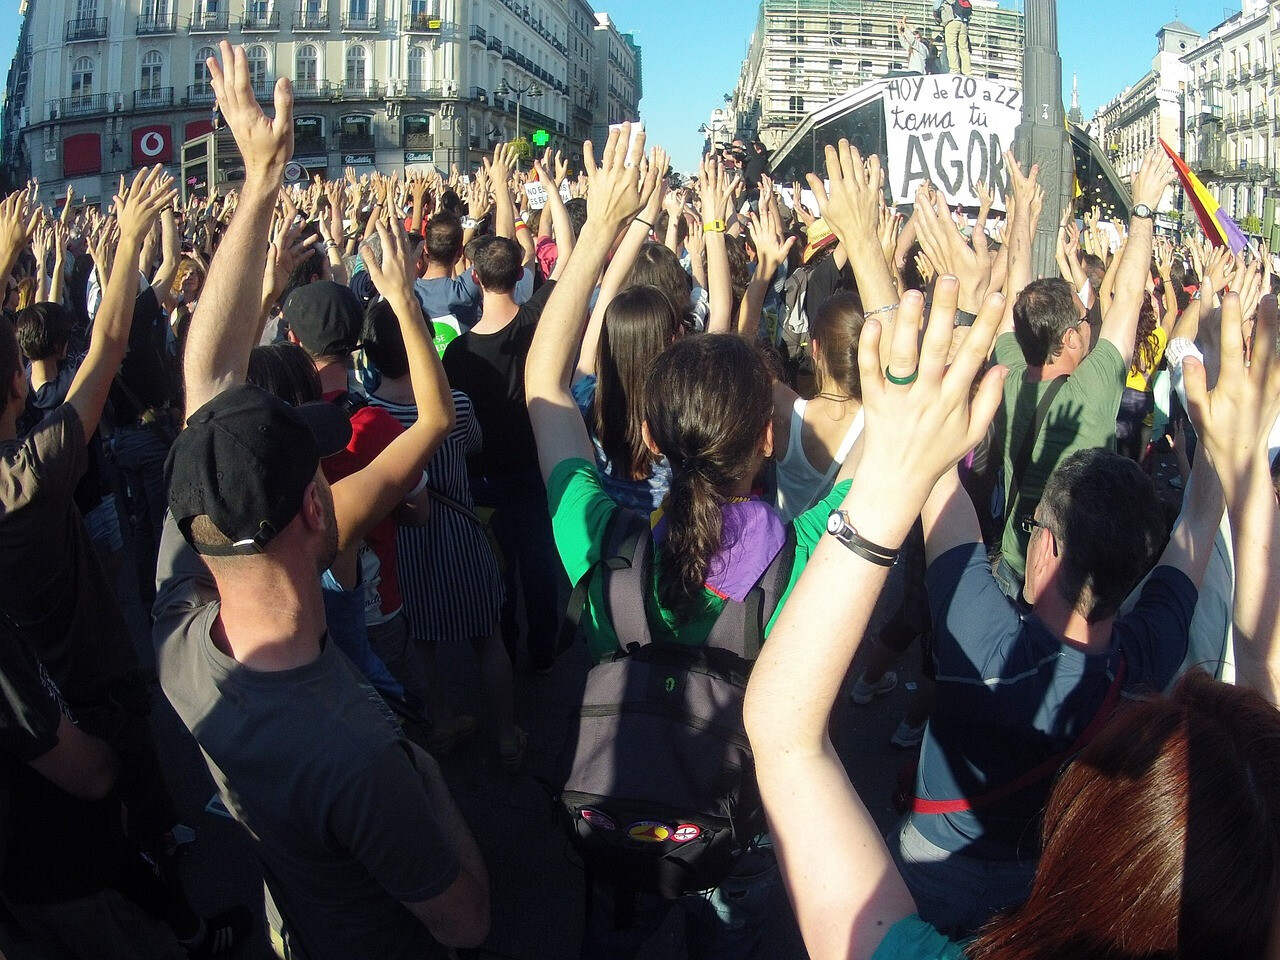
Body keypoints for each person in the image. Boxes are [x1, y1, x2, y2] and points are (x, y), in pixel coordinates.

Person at [745, 203, 1280, 960]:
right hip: (1043, 881)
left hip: (939, 868)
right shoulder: (1148, 660)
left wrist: (874, 260)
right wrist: (1238, 458)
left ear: (1044, 548)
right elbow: (1194, 532)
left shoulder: (984, 644)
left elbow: (932, 483)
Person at [153, 42, 489, 958]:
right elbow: (466, 920)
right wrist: (430, 784)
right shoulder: (361, 755)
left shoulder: (180, 630)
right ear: (315, 509)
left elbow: (207, 380)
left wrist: (260, 184)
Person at [525, 123, 858, 958]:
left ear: (650, 433)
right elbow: (892, 428)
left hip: (620, 819)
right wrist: (865, 249)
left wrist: (600, 228)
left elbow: (544, 384)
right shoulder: (802, 559)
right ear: (769, 441)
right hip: (734, 834)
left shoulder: (602, 539)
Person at [991, 148, 1175, 601]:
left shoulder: (1008, 375)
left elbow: (1015, 293)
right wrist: (1143, 209)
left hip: (1012, 567)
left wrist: (1022, 213)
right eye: (1084, 317)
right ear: (1071, 339)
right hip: (1069, 586)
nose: (1091, 321)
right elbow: (1129, 296)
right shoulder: (1091, 392)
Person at [442, 146, 565, 672]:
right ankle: (544, 649)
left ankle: (505, 647)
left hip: (483, 479)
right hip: (533, 471)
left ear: (473, 277)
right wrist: (550, 191)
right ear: (522, 273)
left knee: (497, 568)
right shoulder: (537, 319)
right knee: (539, 564)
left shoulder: (457, 353)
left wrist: (498, 187)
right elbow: (570, 256)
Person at [933, 0, 972, 76]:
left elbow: (936, 7)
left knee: (951, 46)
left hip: (951, 21)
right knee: (964, 48)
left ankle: (954, 70)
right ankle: (968, 72)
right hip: (963, 22)